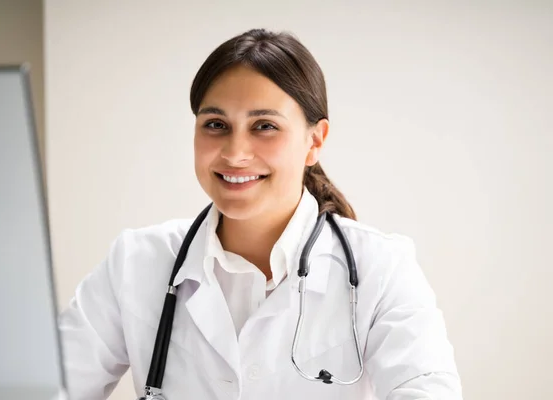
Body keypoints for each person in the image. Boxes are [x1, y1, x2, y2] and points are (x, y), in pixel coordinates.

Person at [59, 28, 463, 400]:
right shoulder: (135, 263)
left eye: (264, 126)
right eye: (215, 124)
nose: (235, 153)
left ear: (315, 140)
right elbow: (45, 386)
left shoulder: (381, 267)